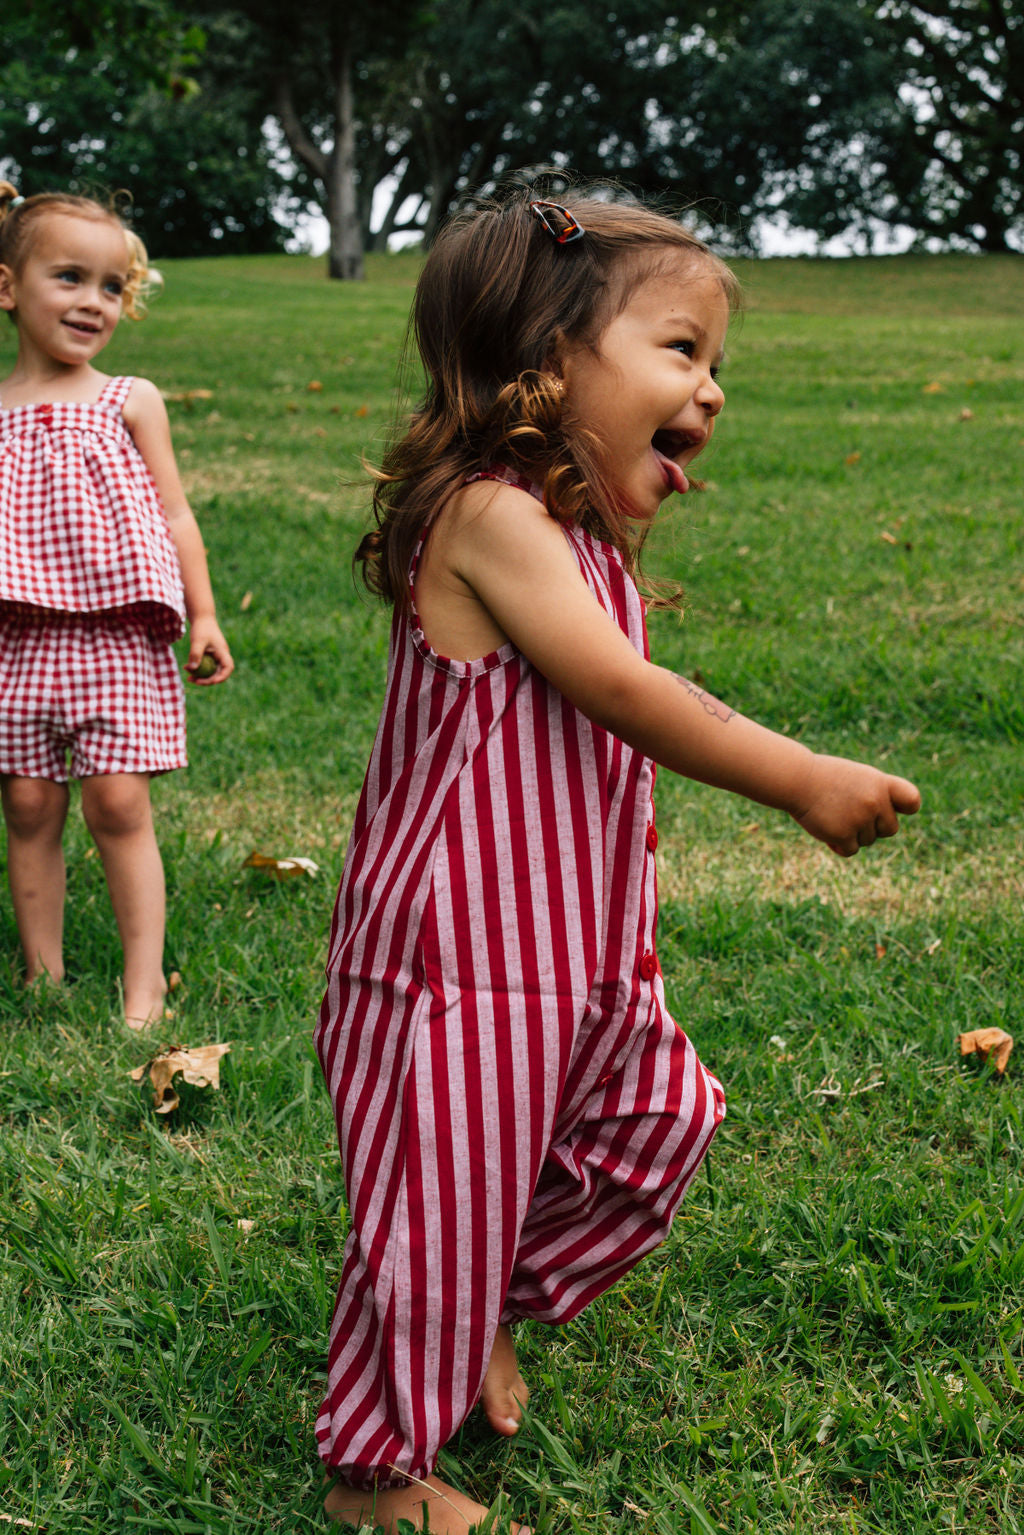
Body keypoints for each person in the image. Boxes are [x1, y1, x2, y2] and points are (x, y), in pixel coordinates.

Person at [314, 191, 920, 1533]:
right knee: (443, 1207)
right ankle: (377, 1470)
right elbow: (624, 693)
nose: (711, 390)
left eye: (717, 366)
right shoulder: (484, 517)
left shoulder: (580, 538)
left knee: (660, 1124)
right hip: (458, 966)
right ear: (544, 352)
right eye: (682, 351)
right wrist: (803, 778)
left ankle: (480, 1304)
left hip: (574, 953)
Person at [0, 183, 233, 1027]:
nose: (93, 302)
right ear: (6, 288)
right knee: (27, 803)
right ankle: (42, 974)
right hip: (18, 641)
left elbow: (176, 513)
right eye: (69, 277)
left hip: (115, 639)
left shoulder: (128, 399)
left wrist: (202, 613)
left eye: (110, 286)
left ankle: (144, 987)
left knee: (118, 802)